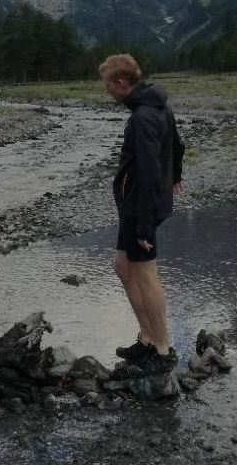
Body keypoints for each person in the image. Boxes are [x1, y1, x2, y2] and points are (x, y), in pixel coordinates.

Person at [100, 54, 185, 371]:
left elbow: (149, 171)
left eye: (107, 83)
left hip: (140, 206)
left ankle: (162, 349)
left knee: (146, 273)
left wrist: (145, 226)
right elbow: (177, 144)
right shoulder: (158, 104)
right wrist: (174, 175)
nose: (106, 89)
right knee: (123, 266)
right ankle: (147, 338)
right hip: (138, 203)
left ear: (121, 82)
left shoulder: (141, 117)